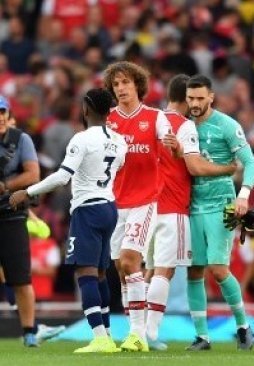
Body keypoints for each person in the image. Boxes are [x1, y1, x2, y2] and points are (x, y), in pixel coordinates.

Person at [10, 88, 127, 353]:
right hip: (109, 207)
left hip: (87, 210)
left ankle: (99, 339)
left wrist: (27, 192)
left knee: (84, 273)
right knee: (99, 273)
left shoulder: (82, 139)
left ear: (86, 109)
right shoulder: (121, 141)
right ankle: (107, 335)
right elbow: (117, 168)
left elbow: (63, 177)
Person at [143, 74, 237, 350]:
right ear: (186, 97)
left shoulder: (151, 121)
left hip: (146, 205)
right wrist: (227, 169)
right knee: (165, 271)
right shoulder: (184, 126)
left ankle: (136, 328)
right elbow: (195, 167)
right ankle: (149, 333)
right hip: (173, 208)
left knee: (146, 270)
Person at [184, 74, 254, 351]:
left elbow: (250, 164)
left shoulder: (227, 125)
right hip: (191, 206)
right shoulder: (183, 125)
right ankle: (202, 336)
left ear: (211, 97)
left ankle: (243, 326)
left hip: (220, 204)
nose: (194, 103)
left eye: (200, 98)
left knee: (218, 269)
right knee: (194, 271)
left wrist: (243, 196)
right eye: (191, 98)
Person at [103, 61, 173, 352]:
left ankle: (139, 334)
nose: (120, 88)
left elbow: (172, 148)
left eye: (125, 83)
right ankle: (135, 331)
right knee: (121, 269)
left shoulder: (155, 118)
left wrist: (176, 147)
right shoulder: (107, 121)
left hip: (144, 202)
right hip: (114, 202)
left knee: (132, 261)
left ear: (137, 85)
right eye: (116, 84)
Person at [0, 94, 66, 347]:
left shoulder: (21, 140)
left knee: (20, 277)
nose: (0, 117)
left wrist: (5, 185)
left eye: (2, 112)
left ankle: (30, 331)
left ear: (7, 114)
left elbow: (33, 173)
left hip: (11, 213)